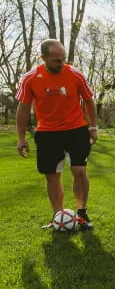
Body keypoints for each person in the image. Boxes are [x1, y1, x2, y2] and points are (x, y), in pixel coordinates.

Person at [15, 39, 98, 230]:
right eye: (56, 61)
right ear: (43, 58)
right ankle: (58, 217)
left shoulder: (75, 74)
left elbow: (89, 100)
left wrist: (93, 127)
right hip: (47, 133)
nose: (61, 64)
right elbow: (23, 108)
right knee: (52, 176)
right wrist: (21, 138)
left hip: (76, 129)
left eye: (63, 59)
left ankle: (82, 213)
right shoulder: (31, 78)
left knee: (79, 171)